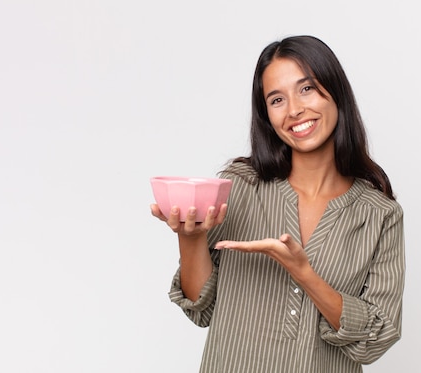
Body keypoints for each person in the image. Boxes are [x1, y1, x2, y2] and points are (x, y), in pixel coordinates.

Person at [150, 35, 405, 373]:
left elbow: (377, 337)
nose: (294, 110)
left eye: (307, 89)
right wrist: (191, 237)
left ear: (336, 93)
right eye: (276, 99)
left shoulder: (379, 214)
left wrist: (305, 274)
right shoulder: (240, 186)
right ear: (266, 114)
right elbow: (201, 309)